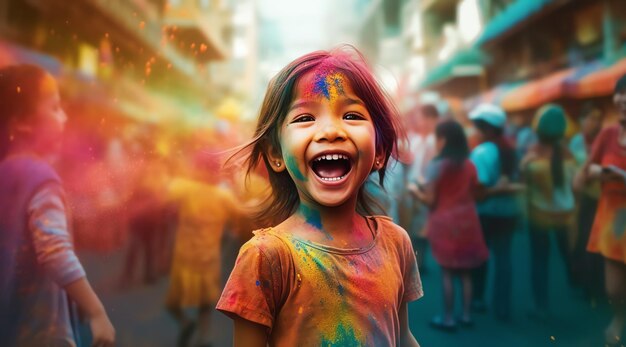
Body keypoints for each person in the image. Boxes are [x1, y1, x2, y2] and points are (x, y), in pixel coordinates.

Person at [216, 47, 422, 346]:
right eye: (304, 118)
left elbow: (402, 337)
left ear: (378, 152)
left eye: (351, 115)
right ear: (276, 154)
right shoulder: (266, 257)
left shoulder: (396, 242)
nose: (330, 131)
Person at [0, 64, 115, 346]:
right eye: (54, 107)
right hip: (40, 330)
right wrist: (96, 311)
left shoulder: (6, 170)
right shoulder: (40, 177)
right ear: (21, 122)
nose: (64, 116)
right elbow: (54, 251)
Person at [410, 120, 488, 331]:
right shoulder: (470, 165)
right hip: (468, 221)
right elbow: (476, 192)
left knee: (447, 273)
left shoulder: (437, 166)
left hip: (444, 223)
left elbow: (430, 201)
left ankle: (447, 318)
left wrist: (415, 192)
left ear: (443, 140)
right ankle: (465, 315)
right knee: (465, 273)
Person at [165, 154, 242, 347]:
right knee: (205, 302)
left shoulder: (186, 188)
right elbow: (242, 213)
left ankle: (186, 323)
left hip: (185, 256)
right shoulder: (223, 195)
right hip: (208, 257)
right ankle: (203, 337)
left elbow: (165, 189)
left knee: (173, 303)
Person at [578, 74, 626, 345]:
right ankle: (619, 318)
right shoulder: (608, 134)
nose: (622, 99)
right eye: (619, 93)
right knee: (614, 287)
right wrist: (594, 172)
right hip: (613, 222)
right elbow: (583, 174)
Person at [521, 104, 577, 320]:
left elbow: (524, 183)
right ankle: (577, 284)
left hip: (539, 216)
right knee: (567, 253)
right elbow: (575, 184)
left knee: (539, 260)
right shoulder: (568, 153)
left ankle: (540, 306)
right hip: (566, 214)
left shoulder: (533, 155)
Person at [468, 103, 522, 321]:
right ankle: (502, 305)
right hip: (508, 213)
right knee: (504, 258)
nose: (475, 132)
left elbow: (478, 190)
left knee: (481, 257)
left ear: (487, 129)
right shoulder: (512, 150)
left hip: (485, 213)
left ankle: (478, 299)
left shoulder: (481, 152)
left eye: (478, 127)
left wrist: (491, 191)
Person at [569, 102, 605, 297]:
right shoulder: (577, 142)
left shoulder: (604, 139)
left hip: (602, 198)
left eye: (599, 118)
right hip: (583, 199)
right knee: (585, 240)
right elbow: (585, 171)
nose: (596, 122)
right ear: (582, 120)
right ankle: (587, 284)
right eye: (592, 118)